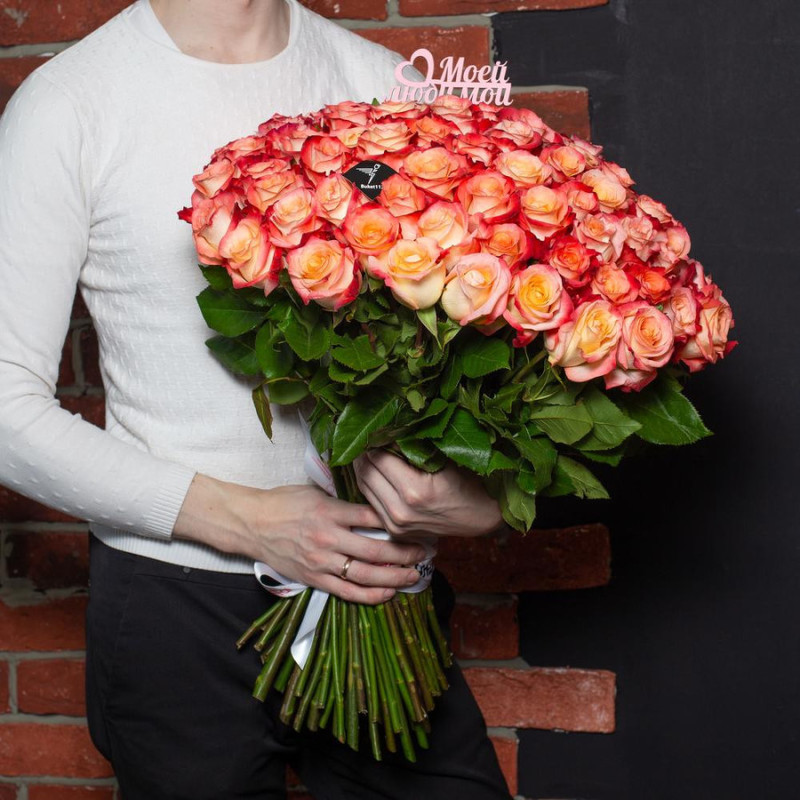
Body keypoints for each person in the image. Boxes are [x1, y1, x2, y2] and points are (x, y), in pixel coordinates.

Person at [0, 1, 514, 798]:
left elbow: (464, 351)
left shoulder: (384, 85)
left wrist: (482, 500)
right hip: (178, 608)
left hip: (377, 587)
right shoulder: (72, 101)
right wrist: (250, 522)